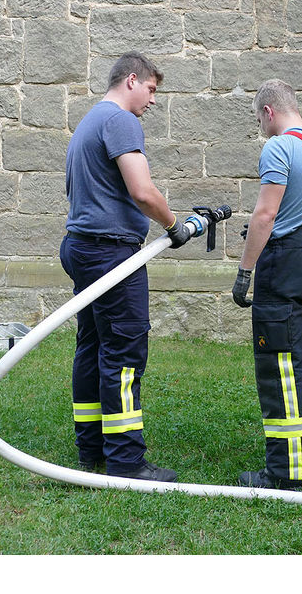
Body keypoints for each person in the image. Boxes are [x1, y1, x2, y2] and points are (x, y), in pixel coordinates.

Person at [60, 51, 191, 483]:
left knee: (93, 346)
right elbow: (142, 191)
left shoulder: (87, 123)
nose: (153, 101)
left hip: (82, 247)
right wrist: (175, 226)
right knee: (124, 351)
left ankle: (91, 448)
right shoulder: (120, 120)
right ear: (131, 80)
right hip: (111, 253)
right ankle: (126, 460)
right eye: (151, 90)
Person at [232, 79, 302, 490]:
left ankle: (284, 472)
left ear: (268, 112)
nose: (261, 128)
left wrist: (245, 272)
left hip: (288, 262)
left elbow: (265, 216)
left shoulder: (278, 148)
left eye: (259, 120)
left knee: (279, 362)